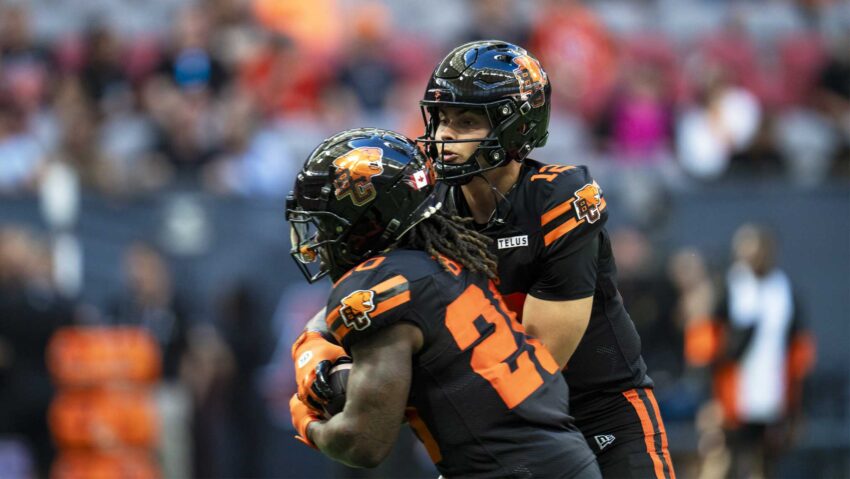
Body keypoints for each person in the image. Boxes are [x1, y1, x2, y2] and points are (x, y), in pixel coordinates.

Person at [415, 40, 675, 478]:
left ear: (515, 127)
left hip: (597, 411)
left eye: (466, 121)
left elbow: (538, 362)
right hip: (496, 424)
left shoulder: (559, 199)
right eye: (441, 119)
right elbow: (370, 295)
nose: (444, 135)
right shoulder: (427, 212)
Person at [286, 127, 600, 478]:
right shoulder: (442, 263)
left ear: (364, 221)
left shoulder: (380, 286)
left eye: (325, 223)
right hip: (556, 460)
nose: (317, 241)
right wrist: (312, 343)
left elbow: (364, 443)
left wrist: (305, 420)